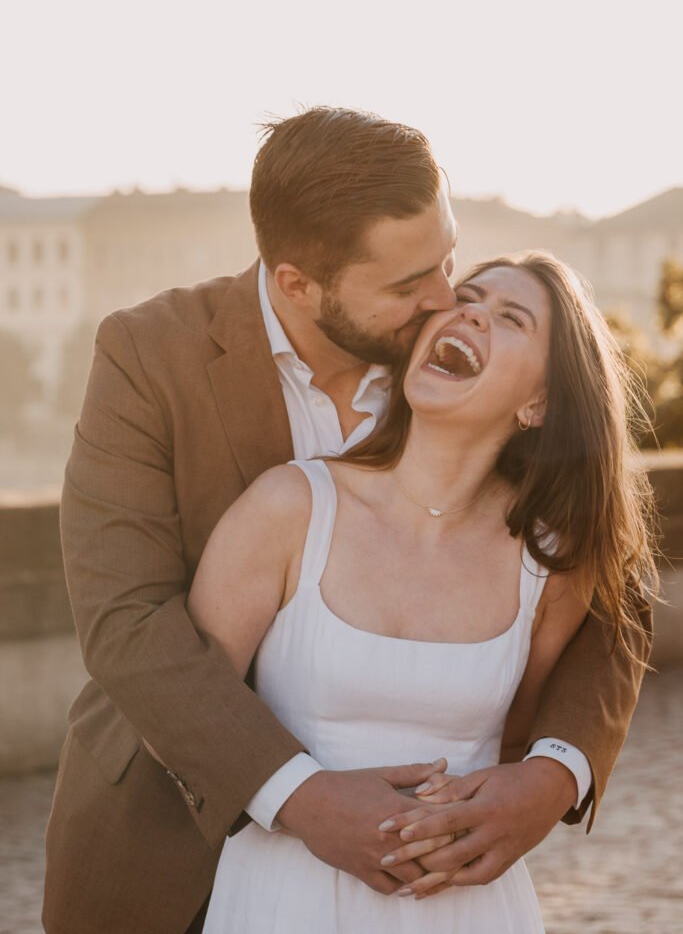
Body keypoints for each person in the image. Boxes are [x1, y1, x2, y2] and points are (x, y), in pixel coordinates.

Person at [44, 107, 652, 934]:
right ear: (298, 283)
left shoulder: (443, 346)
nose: (444, 298)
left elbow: (606, 590)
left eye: (447, 259)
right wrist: (299, 797)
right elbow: (126, 622)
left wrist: (553, 775)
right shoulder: (149, 355)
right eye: (411, 285)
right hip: (167, 833)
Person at [189, 251, 657, 932]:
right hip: (281, 899)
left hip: (466, 909)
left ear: (538, 402)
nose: (471, 312)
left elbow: (521, 735)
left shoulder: (548, 564)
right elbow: (191, 703)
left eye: (510, 318)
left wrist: (541, 781)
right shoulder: (288, 507)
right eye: (465, 297)